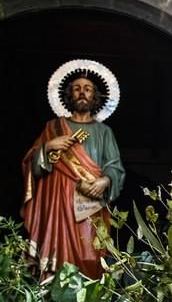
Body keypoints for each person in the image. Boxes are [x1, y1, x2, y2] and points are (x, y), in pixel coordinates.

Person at [21, 59, 125, 281]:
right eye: (77, 88)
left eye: (87, 89)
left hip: (90, 203)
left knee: (91, 254)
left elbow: (115, 167)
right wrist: (48, 146)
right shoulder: (52, 127)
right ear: (68, 94)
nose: (82, 93)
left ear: (95, 96)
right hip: (57, 204)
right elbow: (32, 167)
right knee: (57, 258)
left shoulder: (104, 132)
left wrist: (105, 181)